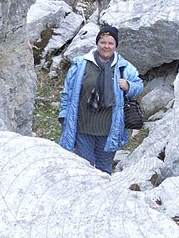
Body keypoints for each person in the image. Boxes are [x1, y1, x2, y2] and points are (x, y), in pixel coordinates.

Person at [58, 25, 143, 174]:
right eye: (103, 42)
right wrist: (64, 115)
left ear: (116, 45)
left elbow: (139, 85)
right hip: (83, 127)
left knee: (104, 169)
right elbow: (67, 92)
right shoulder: (81, 64)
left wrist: (128, 86)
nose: (106, 46)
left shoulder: (123, 67)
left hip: (109, 129)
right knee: (85, 168)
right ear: (97, 43)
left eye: (110, 43)